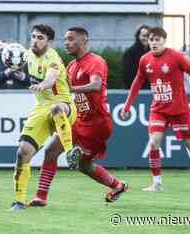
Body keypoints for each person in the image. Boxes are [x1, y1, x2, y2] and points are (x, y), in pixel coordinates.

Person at [27, 27, 128, 207]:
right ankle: (40, 197)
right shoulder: (71, 66)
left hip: (97, 124)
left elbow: (96, 85)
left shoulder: (95, 61)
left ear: (84, 40)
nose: (66, 42)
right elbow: (60, 87)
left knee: (84, 166)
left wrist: (72, 89)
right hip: (78, 120)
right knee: (51, 151)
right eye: (65, 39)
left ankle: (117, 185)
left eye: (71, 39)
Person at [121, 27, 190, 192]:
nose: (154, 43)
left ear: (164, 41)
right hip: (159, 109)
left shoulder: (177, 57)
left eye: (158, 40)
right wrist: (127, 105)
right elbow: (137, 82)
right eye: (152, 40)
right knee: (153, 143)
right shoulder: (145, 59)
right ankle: (157, 183)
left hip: (179, 110)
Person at [11, 24, 79, 211]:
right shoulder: (28, 54)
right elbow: (20, 60)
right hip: (41, 108)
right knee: (22, 152)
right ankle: (19, 201)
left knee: (56, 108)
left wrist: (44, 85)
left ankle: (70, 151)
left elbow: (51, 77)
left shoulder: (53, 58)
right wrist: (5, 51)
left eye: (40, 37)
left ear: (49, 41)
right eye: (33, 36)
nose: (35, 40)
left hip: (64, 106)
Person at [122, 25, 150, 89]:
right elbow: (127, 75)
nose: (146, 38)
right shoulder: (130, 53)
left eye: (148, 36)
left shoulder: (153, 53)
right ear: (138, 36)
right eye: (144, 36)